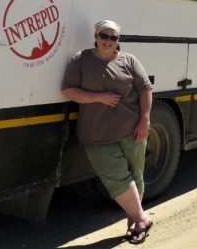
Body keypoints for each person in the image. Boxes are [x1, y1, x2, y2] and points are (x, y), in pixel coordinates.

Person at [61, 20, 154, 244]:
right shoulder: (81, 59)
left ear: (118, 40)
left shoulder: (129, 60)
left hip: (132, 130)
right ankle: (142, 217)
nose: (109, 41)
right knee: (116, 178)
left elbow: (145, 89)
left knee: (136, 176)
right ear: (96, 36)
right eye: (104, 36)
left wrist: (145, 120)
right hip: (96, 134)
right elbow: (68, 90)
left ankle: (135, 223)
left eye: (114, 37)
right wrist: (98, 98)